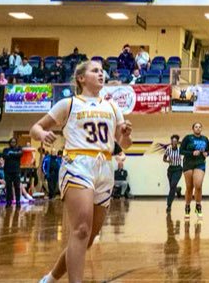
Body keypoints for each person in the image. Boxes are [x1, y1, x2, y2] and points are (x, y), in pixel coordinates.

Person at [32, 60, 133, 283]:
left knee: (87, 237)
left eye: (102, 71)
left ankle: (50, 278)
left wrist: (126, 134)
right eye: (95, 71)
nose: (101, 74)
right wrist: (42, 135)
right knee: (81, 230)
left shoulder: (113, 107)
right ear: (81, 78)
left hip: (104, 166)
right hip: (78, 163)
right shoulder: (69, 103)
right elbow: (35, 127)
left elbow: (123, 145)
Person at [179, 122, 209, 219]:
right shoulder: (188, 138)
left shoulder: (205, 139)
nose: (198, 128)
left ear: (201, 129)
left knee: (198, 185)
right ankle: (187, 206)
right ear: (193, 129)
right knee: (189, 187)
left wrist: (206, 153)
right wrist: (192, 153)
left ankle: (198, 206)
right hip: (188, 164)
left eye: (199, 127)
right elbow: (181, 151)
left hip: (200, 163)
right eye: (196, 127)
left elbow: (208, 151)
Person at [162, 134, 184, 213]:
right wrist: (168, 161)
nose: (173, 142)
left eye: (175, 141)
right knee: (172, 187)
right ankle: (177, 189)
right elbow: (164, 159)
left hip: (178, 169)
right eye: (172, 141)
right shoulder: (168, 149)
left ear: (177, 142)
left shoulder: (180, 149)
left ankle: (169, 205)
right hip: (170, 170)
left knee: (172, 186)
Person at [1, 138, 24, 206]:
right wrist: (15, 155)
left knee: (17, 186)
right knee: (8, 187)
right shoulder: (6, 150)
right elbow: (5, 156)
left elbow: (20, 154)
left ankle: (18, 201)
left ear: (16, 143)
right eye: (11, 142)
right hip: (8, 171)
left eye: (14, 142)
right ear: (9, 143)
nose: (13, 143)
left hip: (16, 171)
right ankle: (9, 201)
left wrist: (11, 154)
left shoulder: (19, 149)